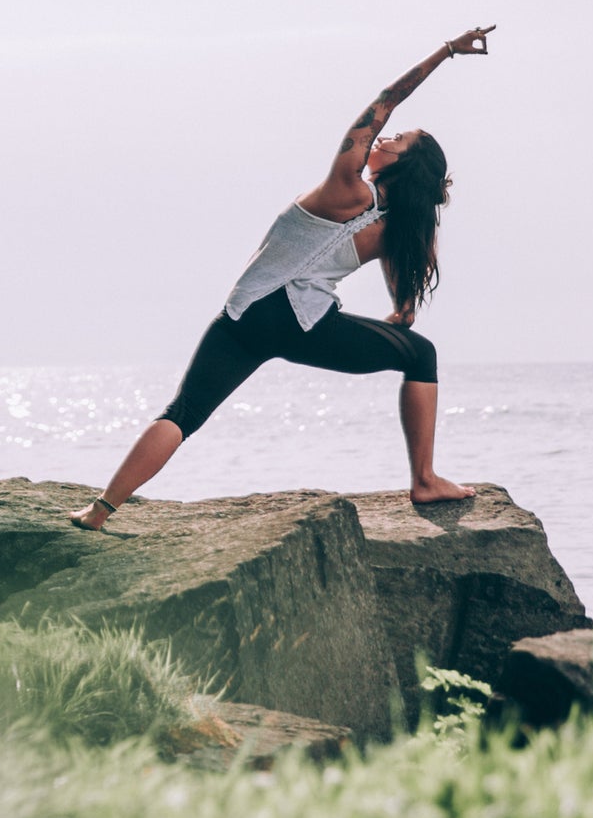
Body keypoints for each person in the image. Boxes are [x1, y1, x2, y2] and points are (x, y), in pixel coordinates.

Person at [71, 26, 496, 529]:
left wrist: (445, 51)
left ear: (407, 163)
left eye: (399, 139)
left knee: (183, 414)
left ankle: (100, 511)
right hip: (301, 323)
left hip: (244, 313)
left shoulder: (348, 188)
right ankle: (424, 480)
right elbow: (405, 279)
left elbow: (386, 99)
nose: (386, 135)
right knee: (420, 355)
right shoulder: (393, 226)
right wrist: (402, 313)